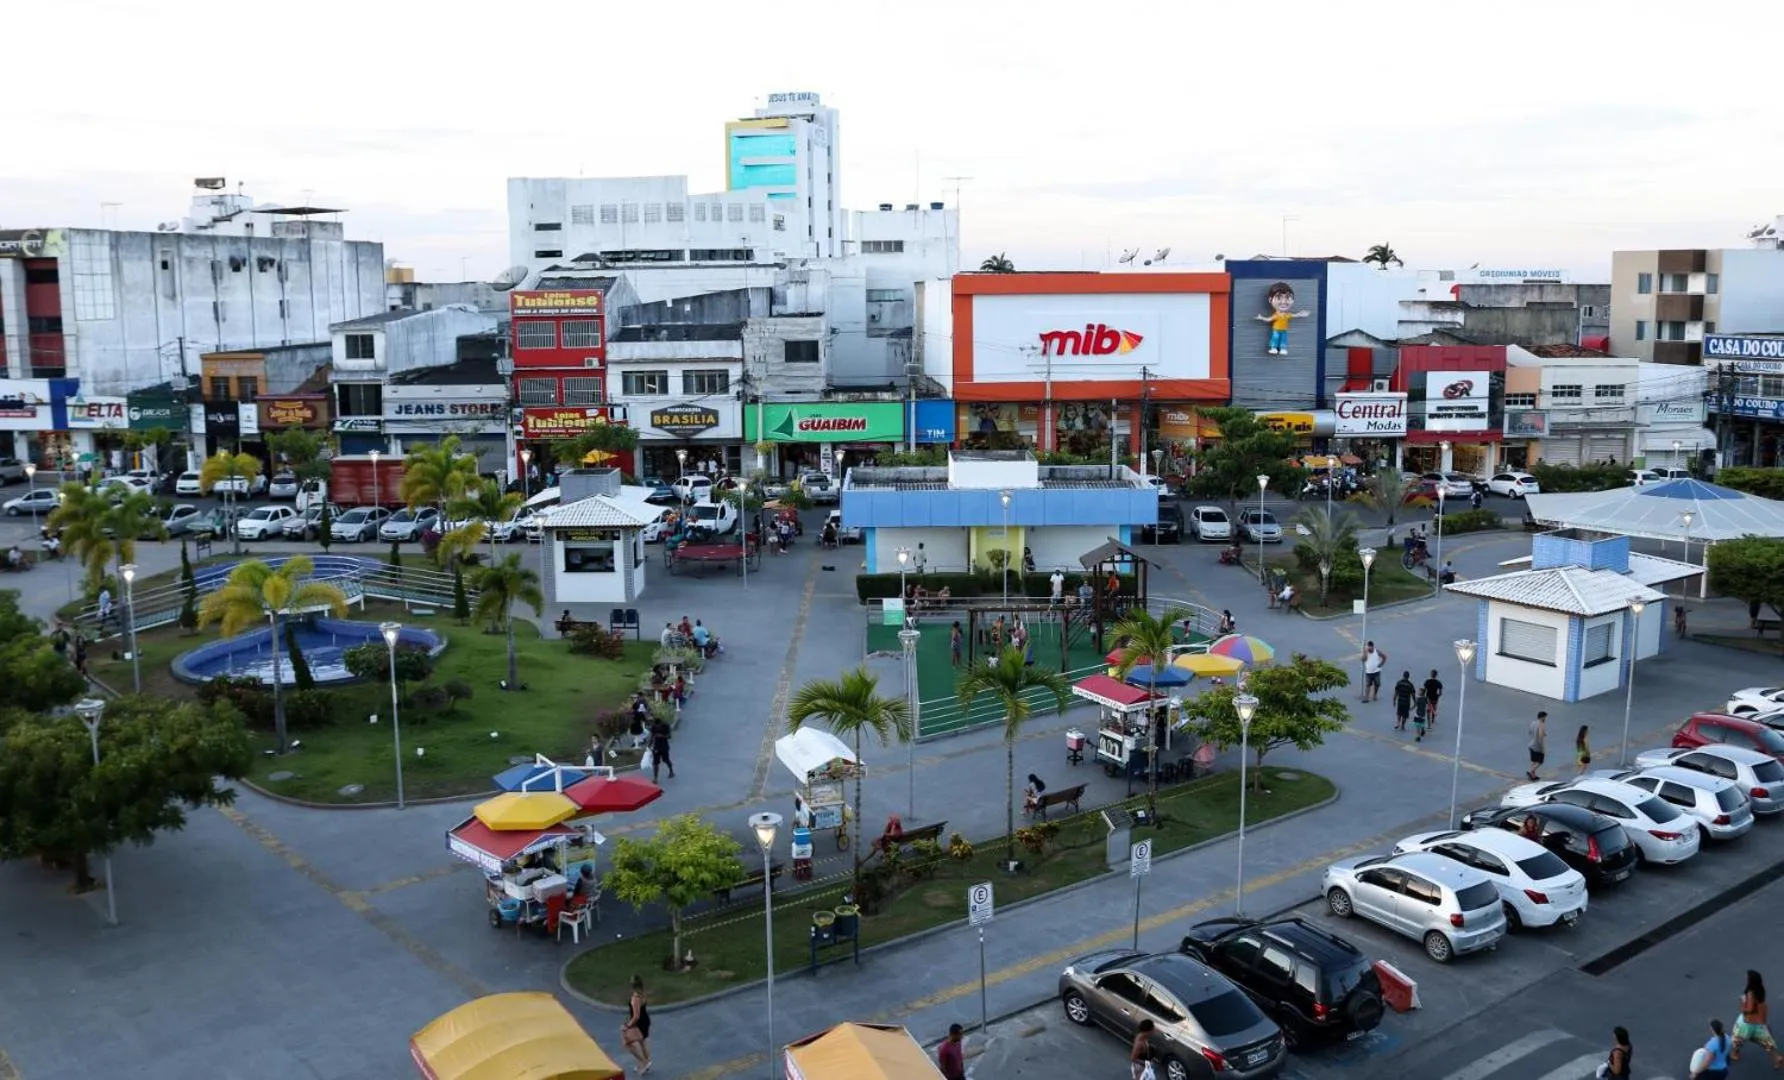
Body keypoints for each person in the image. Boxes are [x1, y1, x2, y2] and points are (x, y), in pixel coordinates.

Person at [1732, 970, 1784, 1068]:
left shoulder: (1751, 993)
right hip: (1758, 1023)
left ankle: (1734, 1053)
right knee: (1766, 1041)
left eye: (1747, 977)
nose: (1745, 978)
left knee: (1738, 1038)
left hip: (1747, 1022)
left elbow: (1749, 1009)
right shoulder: (1761, 990)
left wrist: (1743, 1002)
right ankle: (1777, 1057)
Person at [621, 974, 653, 1074]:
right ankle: (646, 1062)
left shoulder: (635, 998)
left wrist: (627, 1026)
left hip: (637, 1024)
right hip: (645, 1021)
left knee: (627, 1044)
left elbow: (636, 1016)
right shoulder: (643, 993)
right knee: (642, 1041)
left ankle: (643, 1062)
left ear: (632, 986)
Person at [649, 716, 674, 781]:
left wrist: (661, 736)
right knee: (655, 763)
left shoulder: (666, 726)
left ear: (661, 723)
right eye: (656, 725)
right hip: (656, 747)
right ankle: (655, 777)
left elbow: (669, 736)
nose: (657, 727)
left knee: (666, 760)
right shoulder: (653, 727)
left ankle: (671, 771)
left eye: (658, 725)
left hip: (664, 746)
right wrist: (649, 744)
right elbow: (652, 736)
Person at [1528, 710, 1548, 781]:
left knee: (1534, 761)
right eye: (1545, 717)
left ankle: (1533, 775)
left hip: (1531, 745)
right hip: (1537, 746)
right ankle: (1531, 772)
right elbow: (1540, 738)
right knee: (1540, 761)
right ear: (1542, 717)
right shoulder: (1541, 725)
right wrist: (1543, 749)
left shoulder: (1533, 723)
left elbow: (1530, 732)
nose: (1545, 719)